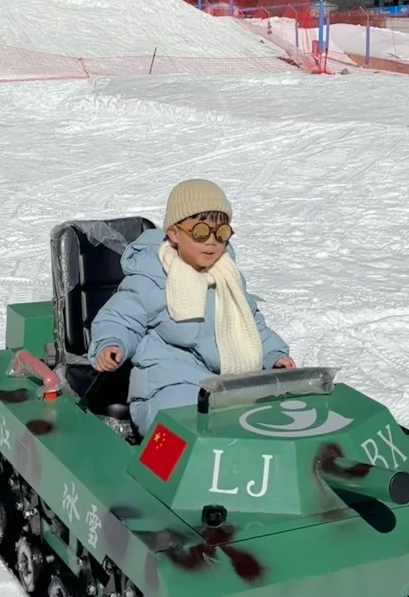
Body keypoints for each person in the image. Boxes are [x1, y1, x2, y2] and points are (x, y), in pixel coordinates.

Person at [88, 180, 295, 437]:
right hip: (168, 386)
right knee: (188, 420)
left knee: (272, 417)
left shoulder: (226, 276)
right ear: (174, 234)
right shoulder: (153, 277)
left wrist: (274, 355)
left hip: (224, 386)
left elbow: (250, 325)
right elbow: (121, 318)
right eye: (200, 232)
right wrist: (111, 343)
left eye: (220, 234)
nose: (211, 242)